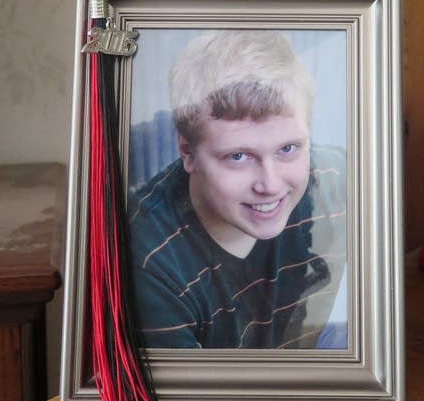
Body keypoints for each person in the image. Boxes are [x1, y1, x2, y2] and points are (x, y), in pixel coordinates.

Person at [128, 30, 347, 349]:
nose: (270, 185)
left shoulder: (340, 183)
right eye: (238, 156)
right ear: (187, 152)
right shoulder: (150, 263)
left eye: (288, 148)